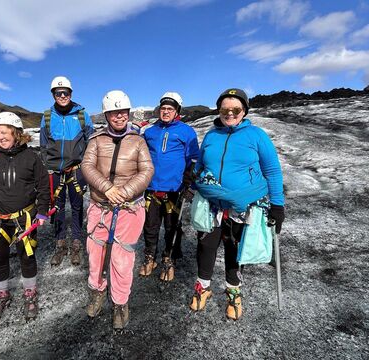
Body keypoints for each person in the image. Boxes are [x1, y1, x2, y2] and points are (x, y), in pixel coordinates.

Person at [189, 88, 285, 320]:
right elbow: (201, 165)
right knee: (206, 246)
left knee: (235, 249)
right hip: (212, 204)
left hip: (243, 207)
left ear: (244, 111)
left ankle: (233, 291)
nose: (230, 114)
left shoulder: (256, 135)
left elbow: (272, 170)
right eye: (225, 109)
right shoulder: (212, 135)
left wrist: (278, 205)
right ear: (219, 110)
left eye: (236, 109)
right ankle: (203, 287)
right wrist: (193, 177)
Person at [81, 90, 154, 330]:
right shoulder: (96, 140)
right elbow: (87, 166)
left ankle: (120, 302)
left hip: (129, 207)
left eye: (123, 111)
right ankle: (97, 290)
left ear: (128, 112)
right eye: (114, 112)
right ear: (107, 114)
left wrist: (124, 192)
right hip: (100, 205)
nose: (119, 116)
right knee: (96, 254)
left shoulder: (138, 141)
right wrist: (107, 188)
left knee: (122, 258)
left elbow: (146, 170)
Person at [0, 112, 50, 322]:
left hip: (24, 217)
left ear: (16, 133)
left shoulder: (32, 157)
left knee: (27, 255)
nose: (1, 137)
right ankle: (1, 295)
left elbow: (43, 185)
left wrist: (42, 210)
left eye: (5, 132)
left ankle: (30, 294)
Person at [140, 92, 200, 282]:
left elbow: (193, 158)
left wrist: (189, 180)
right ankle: (150, 257)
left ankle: (169, 258)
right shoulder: (149, 131)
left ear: (177, 111)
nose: (165, 112)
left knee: (172, 226)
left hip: (175, 189)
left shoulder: (186, 131)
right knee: (150, 226)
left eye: (170, 109)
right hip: (151, 187)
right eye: (163, 108)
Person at [40, 76, 94, 266]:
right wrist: (47, 167)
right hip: (54, 172)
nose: (62, 95)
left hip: (77, 170)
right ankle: (60, 243)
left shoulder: (81, 115)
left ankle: (77, 242)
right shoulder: (47, 116)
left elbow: (91, 142)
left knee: (78, 206)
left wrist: (87, 165)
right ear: (53, 94)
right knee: (57, 208)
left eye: (66, 93)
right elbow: (43, 145)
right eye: (58, 93)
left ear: (71, 94)